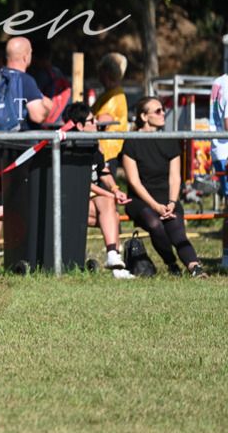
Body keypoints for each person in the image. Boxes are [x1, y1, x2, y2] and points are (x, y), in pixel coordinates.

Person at [0, 36, 53, 266]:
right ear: (27, 56)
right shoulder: (27, 81)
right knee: (23, 200)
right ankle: (24, 253)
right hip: (21, 151)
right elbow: (38, 114)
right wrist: (47, 104)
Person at [121, 96, 207, 278]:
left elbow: (175, 177)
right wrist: (155, 206)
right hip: (140, 199)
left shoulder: (169, 140)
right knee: (155, 224)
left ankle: (195, 267)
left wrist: (171, 202)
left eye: (163, 110)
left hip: (167, 197)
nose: (163, 114)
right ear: (144, 117)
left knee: (177, 231)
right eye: (158, 111)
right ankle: (172, 264)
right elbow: (134, 182)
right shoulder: (131, 142)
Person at [64, 102, 130, 269]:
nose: (96, 124)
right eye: (91, 121)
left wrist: (115, 189)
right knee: (111, 210)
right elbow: (82, 182)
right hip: (73, 199)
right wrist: (110, 195)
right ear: (79, 126)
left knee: (112, 213)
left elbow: (103, 171)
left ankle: (114, 260)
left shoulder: (95, 144)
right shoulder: (71, 147)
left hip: (91, 198)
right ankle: (114, 257)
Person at [92, 52, 129, 179]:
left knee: (104, 193)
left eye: (100, 68)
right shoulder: (108, 94)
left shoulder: (114, 97)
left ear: (106, 72)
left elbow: (101, 124)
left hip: (107, 154)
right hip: (103, 152)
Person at [210, 71, 228, 271]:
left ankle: (225, 258)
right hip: (226, 152)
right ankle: (225, 259)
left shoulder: (220, 81)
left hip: (221, 151)